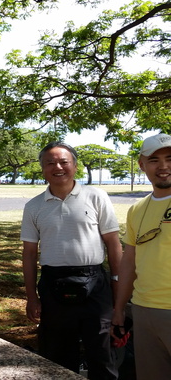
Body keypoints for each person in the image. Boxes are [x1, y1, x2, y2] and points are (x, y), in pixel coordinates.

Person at [22, 141, 121, 379]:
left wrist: (117, 285)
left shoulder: (96, 196)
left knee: (101, 352)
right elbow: (29, 253)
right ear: (43, 168)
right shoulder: (33, 206)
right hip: (52, 283)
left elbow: (113, 243)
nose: (58, 167)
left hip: (95, 283)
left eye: (64, 161)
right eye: (50, 163)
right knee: (57, 353)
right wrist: (32, 297)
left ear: (74, 166)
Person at [112, 133, 171, 380]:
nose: (164, 166)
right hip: (144, 310)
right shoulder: (136, 210)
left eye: (170, 158)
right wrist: (118, 311)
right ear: (142, 165)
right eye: (154, 160)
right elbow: (129, 262)